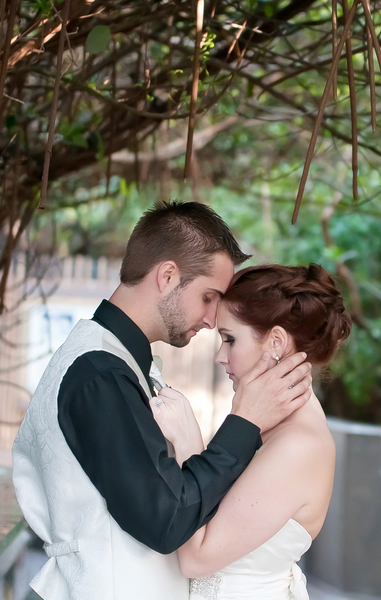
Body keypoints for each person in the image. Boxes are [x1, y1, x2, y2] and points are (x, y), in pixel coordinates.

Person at [12, 201, 313, 600]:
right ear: (168, 275)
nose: (211, 320)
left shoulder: (114, 361)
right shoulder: (101, 374)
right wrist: (244, 423)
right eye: (208, 297)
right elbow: (167, 520)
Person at [151, 263, 351, 600]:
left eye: (229, 339)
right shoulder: (267, 425)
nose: (220, 356)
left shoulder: (298, 446)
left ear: (275, 341)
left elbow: (197, 559)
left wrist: (188, 442)